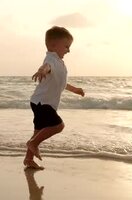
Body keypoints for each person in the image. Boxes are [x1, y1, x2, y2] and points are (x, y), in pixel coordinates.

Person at [24, 26, 85, 169]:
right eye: (66, 46)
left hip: (41, 102)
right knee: (58, 126)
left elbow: (61, 83)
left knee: (38, 131)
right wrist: (41, 70)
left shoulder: (60, 63)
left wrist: (75, 89)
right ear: (53, 45)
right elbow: (46, 66)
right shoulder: (51, 59)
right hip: (42, 103)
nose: (68, 50)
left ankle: (28, 159)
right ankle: (32, 144)